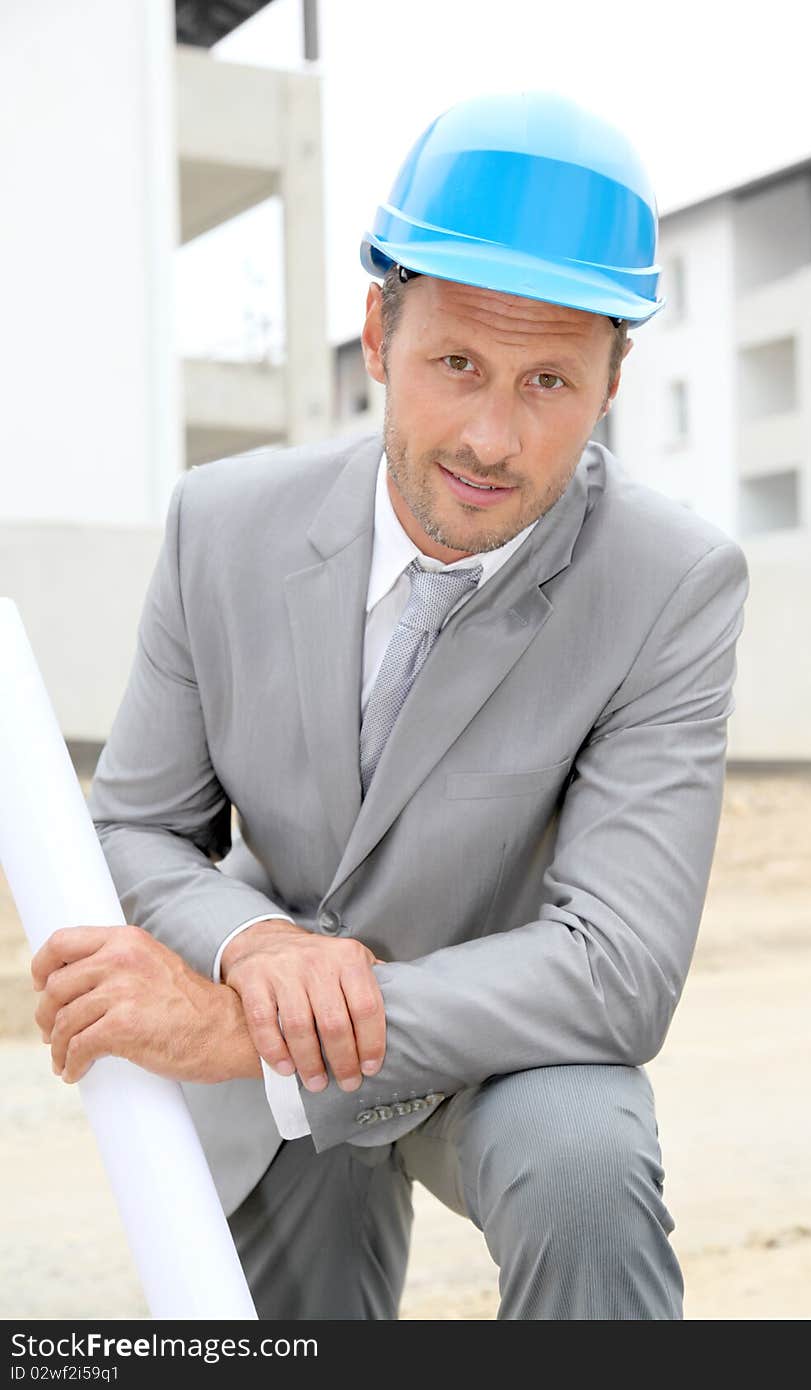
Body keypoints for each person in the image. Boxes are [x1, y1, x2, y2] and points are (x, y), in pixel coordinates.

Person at [31, 92, 749, 1320]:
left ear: (613, 382)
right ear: (376, 332)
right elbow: (134, 829)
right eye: (456, 363)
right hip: (253, 1009)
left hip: (501, 1050)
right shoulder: (222, 525)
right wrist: (255, 952)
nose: (491, 436)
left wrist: (263, 1035)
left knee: (587, 1169)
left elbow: (621, 966)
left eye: (549, 384)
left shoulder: (672, 583)